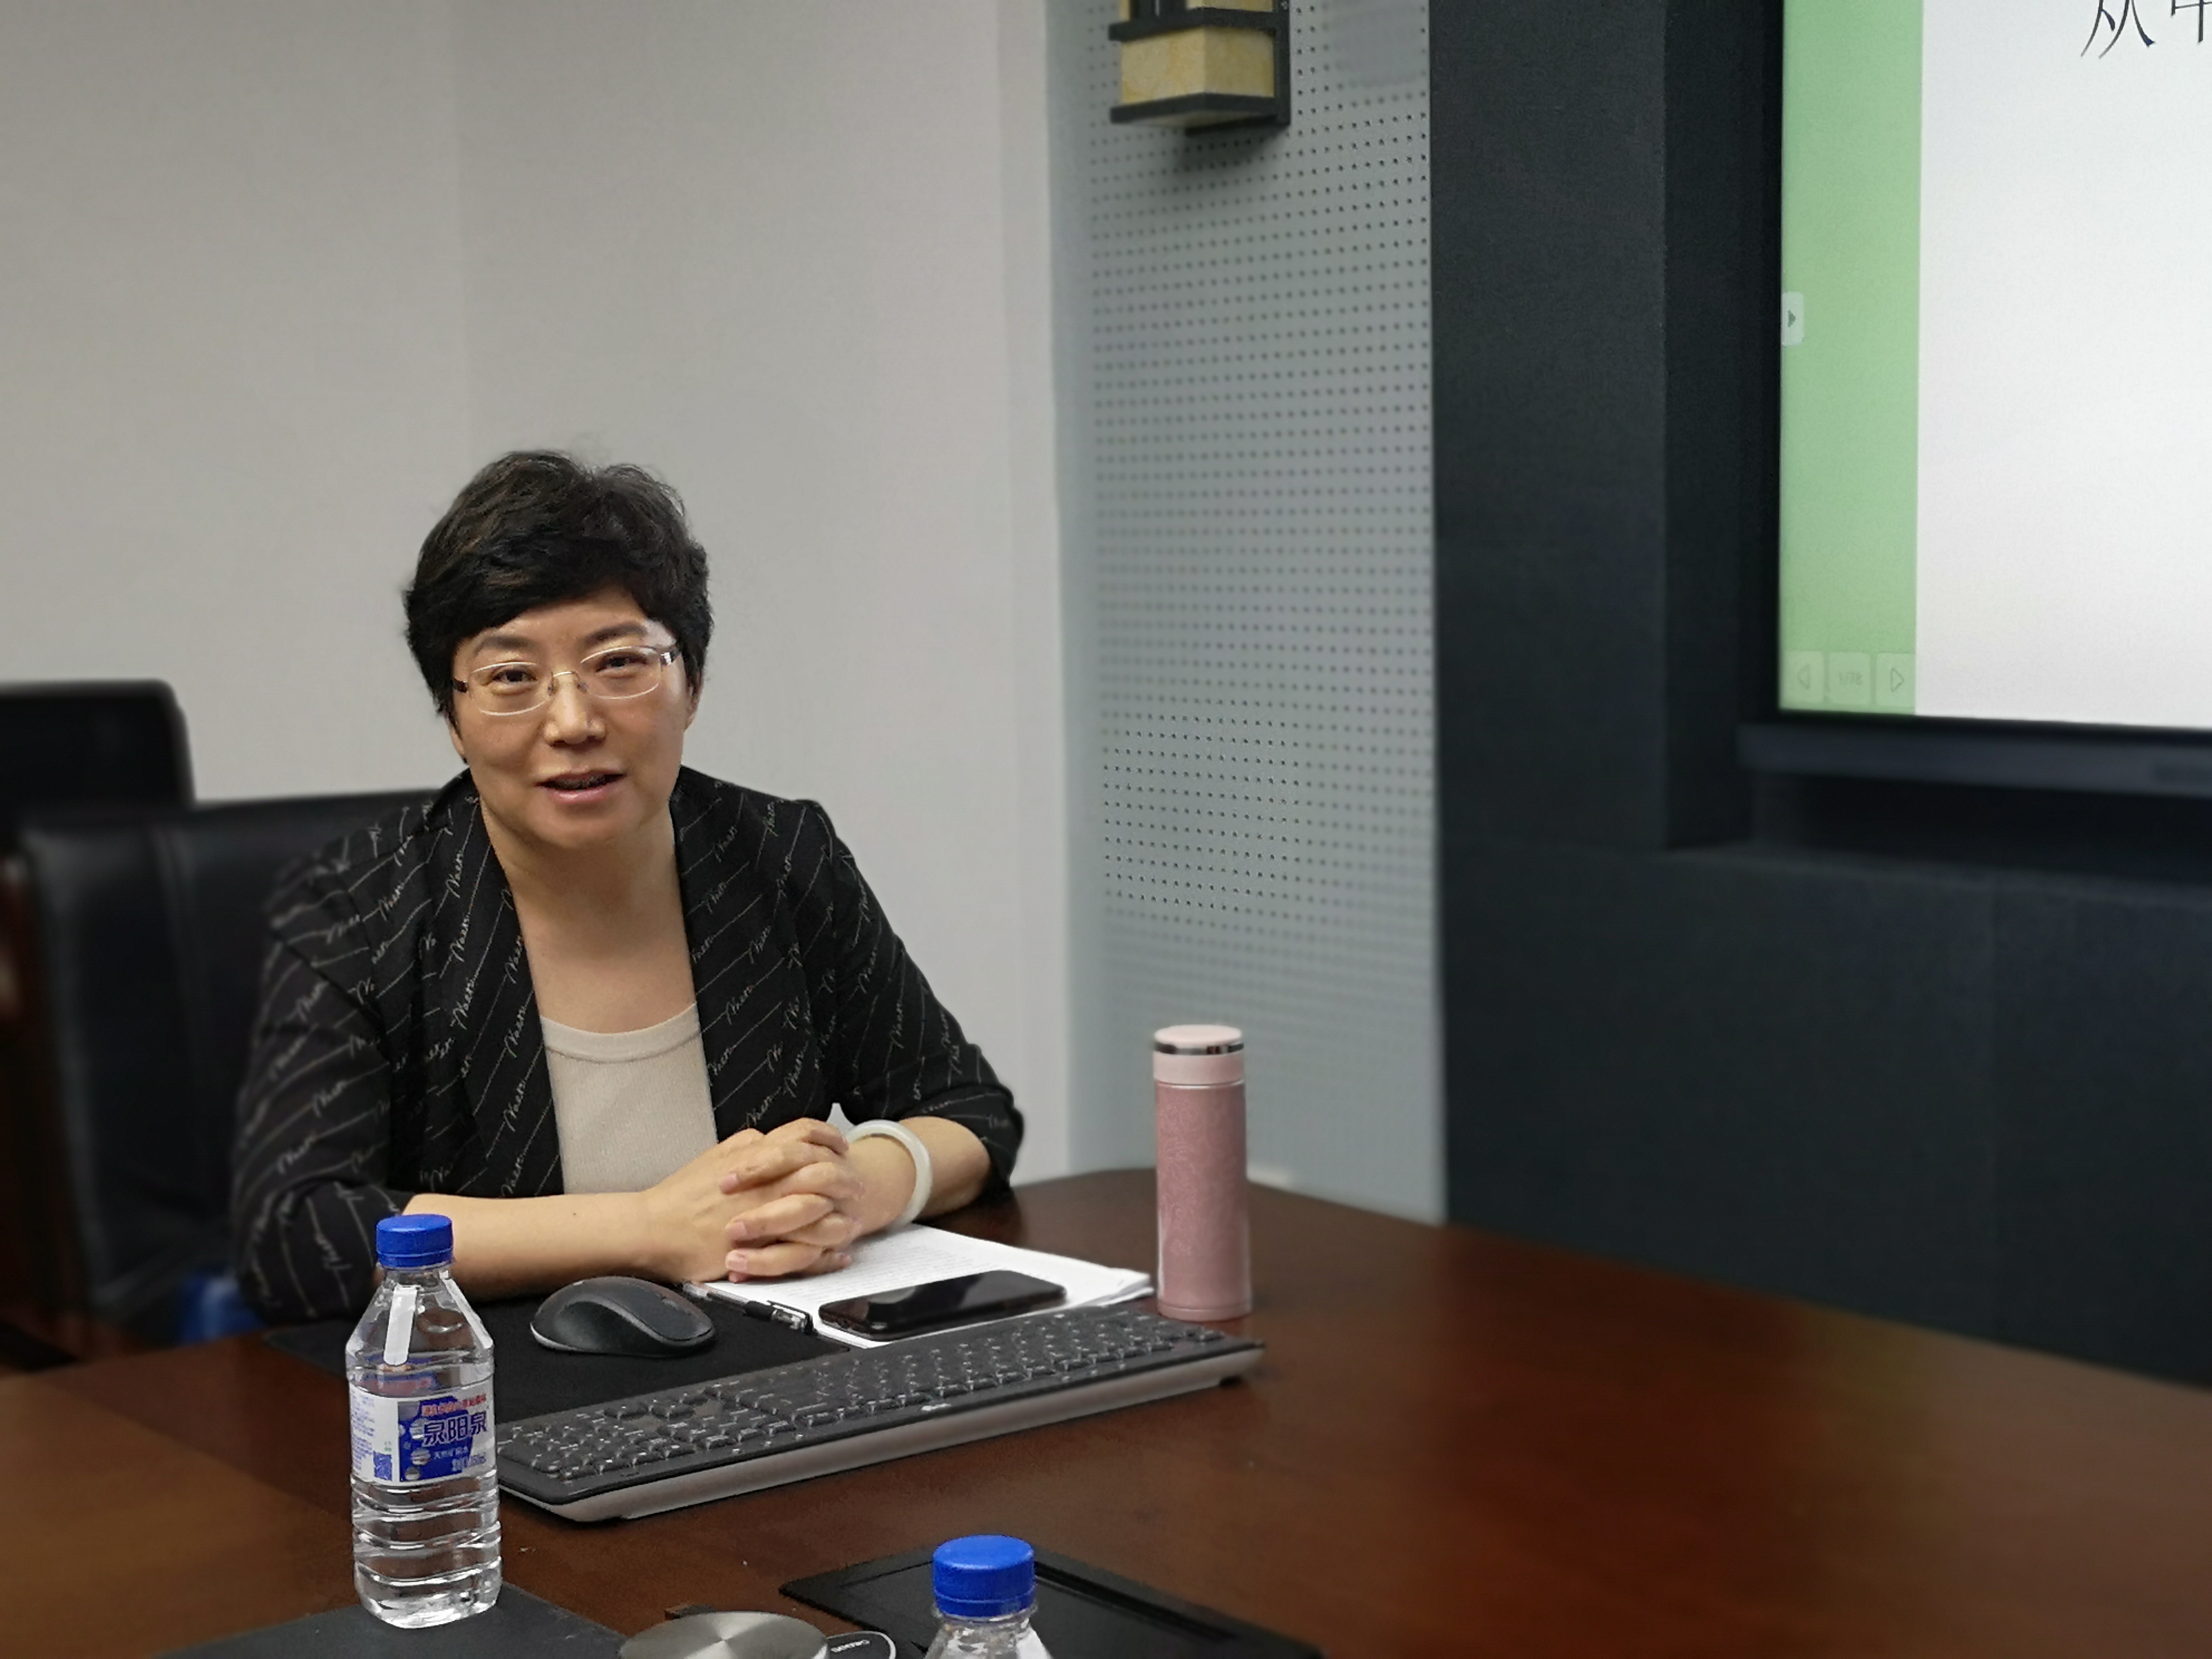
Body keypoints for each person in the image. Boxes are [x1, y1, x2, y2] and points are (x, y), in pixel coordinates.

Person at [231, 452, 1021, 1323]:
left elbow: (968, 1112)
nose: (573, 722)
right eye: (511, 678)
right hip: (489, 1383)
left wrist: (856, 1188)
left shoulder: (779, 856)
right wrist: (649, 1229)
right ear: (453, 717)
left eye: (619, 664)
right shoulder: (359, 909)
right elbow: (296, 1232)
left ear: (692, 686)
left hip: (768, 1365)